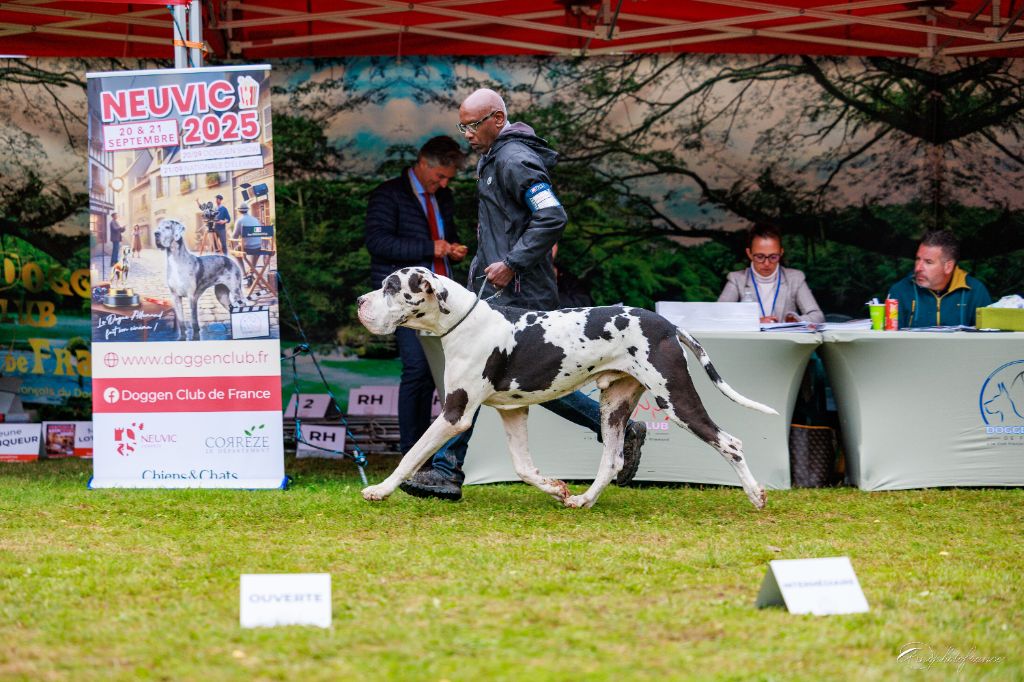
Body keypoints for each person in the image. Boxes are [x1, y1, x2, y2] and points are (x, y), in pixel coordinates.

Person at [399, 88, 646, 501]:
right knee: (515, 381)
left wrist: (512, 262)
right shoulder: (495, 157)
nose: (467, 135)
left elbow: (552, 215)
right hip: (497, 288)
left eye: (473, 125)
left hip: (519, 292)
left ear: (497, 119)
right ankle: (616, 429)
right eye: (462, 126)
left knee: (479, 376)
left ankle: (446, 471)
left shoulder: (515, 159)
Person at [365, 136, 470, 460]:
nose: (443, 183)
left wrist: (453, 249)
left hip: (442, 302)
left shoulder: (445, 197)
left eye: (448, 179)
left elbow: (444, 237)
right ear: (423, 162)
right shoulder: (388, 194)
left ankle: (445, 451)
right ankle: (411, 451)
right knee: (417, 371)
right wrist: (431, 248)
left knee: (452, 373)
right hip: (406, 303)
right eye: (440, 176)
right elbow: (378, 243)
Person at [718, 223, 825, 324]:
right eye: (760, 257)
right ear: (749, 253)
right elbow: (718, 315)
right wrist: (755, 322)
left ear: (781, 253)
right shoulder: (737, 280)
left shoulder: (795, 278)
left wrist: (797, 320)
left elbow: (818, 316)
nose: (767, 263)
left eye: (773, 257)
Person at [886, 229, 991, 328]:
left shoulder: (976, 291)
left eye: (928, 262)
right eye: (918, 259)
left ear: (948, 267)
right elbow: (887, 340)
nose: (918, 268)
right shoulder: (900, 291)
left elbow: (989, 338)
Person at [232, 203, 262, 275]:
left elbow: (234, 236)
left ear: (239, 211)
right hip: (258, 247)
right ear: (247, 210)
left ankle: (244, 273)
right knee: (254, 248)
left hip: (247, 248)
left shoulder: (239, 220)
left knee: (236, 250)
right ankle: (252, 271)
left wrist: (229, 233)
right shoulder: (255, 219)